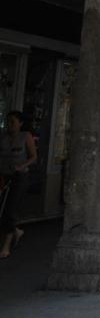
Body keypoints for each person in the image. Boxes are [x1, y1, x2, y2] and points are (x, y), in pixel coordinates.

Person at [1, 111, 37, 259]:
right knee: (3, 208)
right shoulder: (3, 137)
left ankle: (6, 245)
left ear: (20, 123)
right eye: (8, 122)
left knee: (10, 209)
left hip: (20, 176)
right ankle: (16, 231)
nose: (10, 125)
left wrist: (22, 166)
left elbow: (34, 157)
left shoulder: (25, 136)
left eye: (13, 122)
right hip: (4, 176)